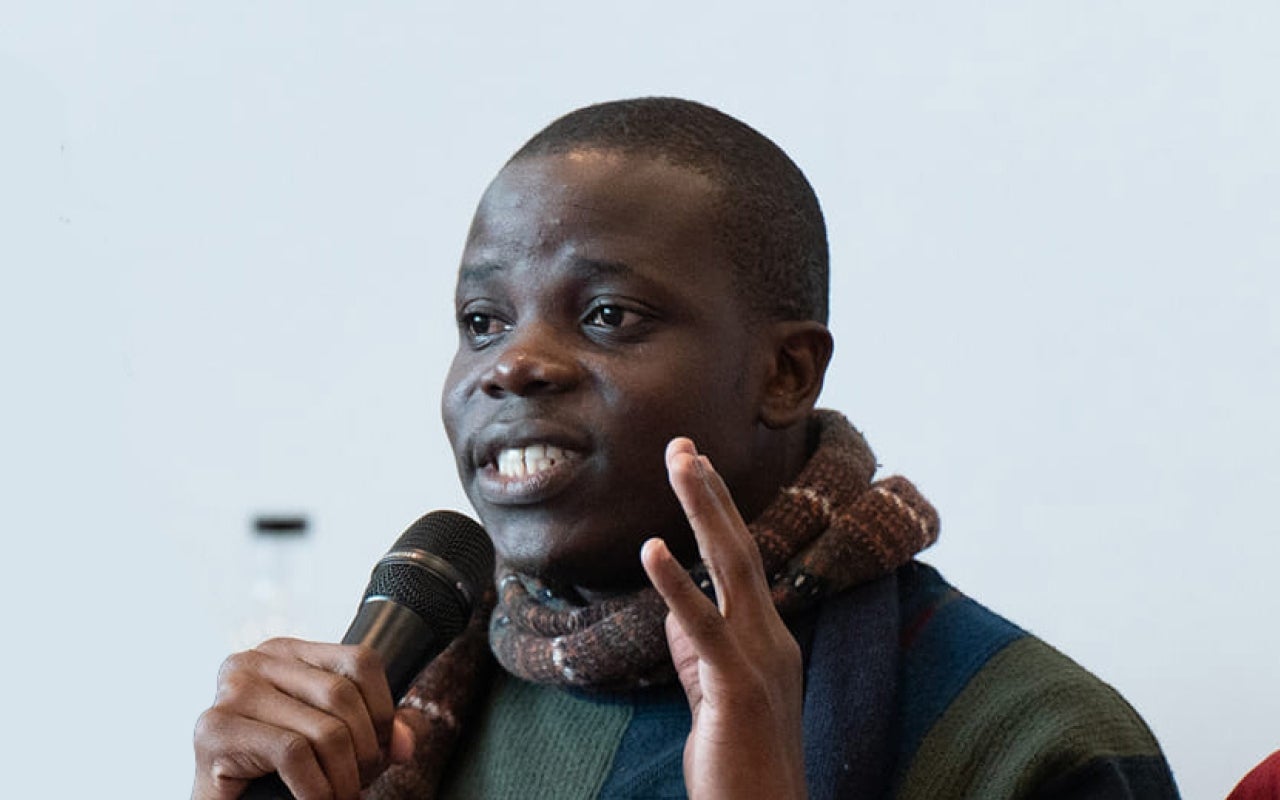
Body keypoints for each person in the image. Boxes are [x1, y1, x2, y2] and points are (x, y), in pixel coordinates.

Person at [192, 97, 1180, 799]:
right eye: (481, 319)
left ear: (784, 373)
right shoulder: (395, 720)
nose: (511, 365)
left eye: (608, 313)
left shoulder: (1030, 741)